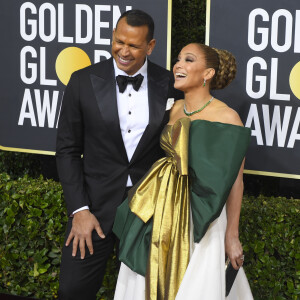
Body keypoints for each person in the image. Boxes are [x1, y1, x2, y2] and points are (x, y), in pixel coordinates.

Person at [56, 10, 183, 300]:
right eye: (118, 41)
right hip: (94, 210)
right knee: (72, 290)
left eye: (134, 46)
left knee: (145, 294)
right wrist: (79, 210)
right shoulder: (82, 81)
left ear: (150, 46)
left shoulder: (169, 84)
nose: (123, 51)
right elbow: (67, 150)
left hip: (147, 212)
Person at [113, 43, 254, 299]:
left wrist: (232, 235)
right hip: (161, 206)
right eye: (178, 59)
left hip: (201, 215)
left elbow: (235, 182)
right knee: (146, 278)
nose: (178, 65)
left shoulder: (228, 117)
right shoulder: (174, 109)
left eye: (188, 60)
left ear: (208, 73)